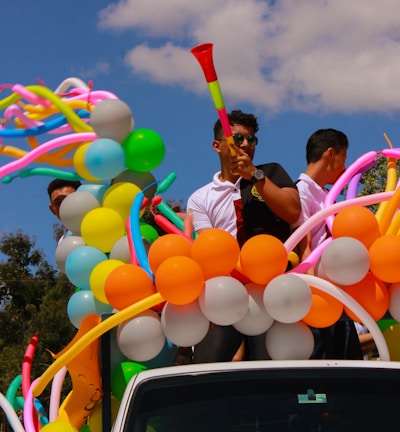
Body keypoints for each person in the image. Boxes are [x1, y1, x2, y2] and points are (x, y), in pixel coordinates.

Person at [187, 110, 301, 363]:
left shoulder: (270, 172)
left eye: (252, 140)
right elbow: (209, 250)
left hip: (271, 291)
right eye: (238, 139)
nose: (247, 145)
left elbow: (293, 212)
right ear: (217, 146)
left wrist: (255, 176)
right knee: (207, 369)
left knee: (269, 371)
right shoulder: (200, 198)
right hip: (225, 292)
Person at [294, 128, 367, 360]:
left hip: (338, 297)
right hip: (318, 298)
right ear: (330, 154)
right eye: (343, 159)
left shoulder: (327, 196)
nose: (345, 168)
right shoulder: (302, 192)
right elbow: (303, 246)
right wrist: (316, 296)